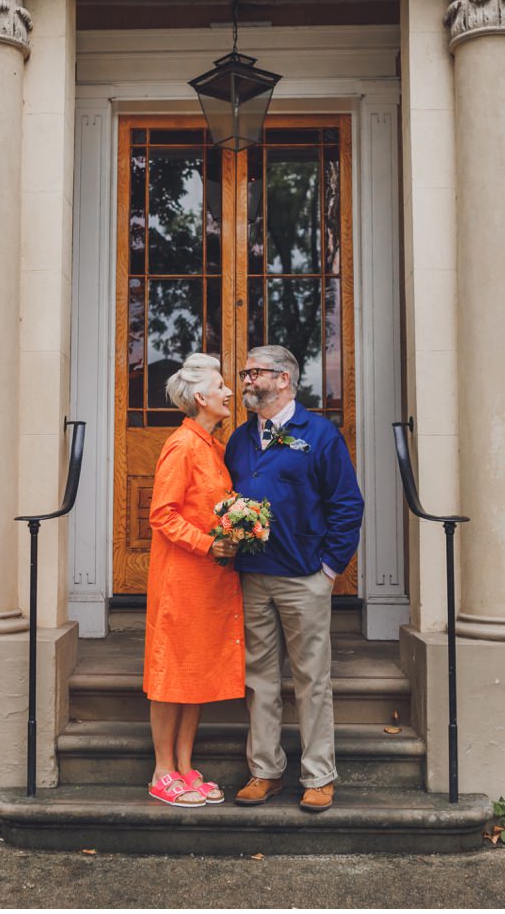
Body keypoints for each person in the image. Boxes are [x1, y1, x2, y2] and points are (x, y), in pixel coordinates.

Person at [224, 345, 364, 812]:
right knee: (259, 679)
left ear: (283, 379)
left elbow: (347, 505)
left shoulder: (319, 435)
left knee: (311, 679)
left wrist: (328, 569)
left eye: (253, 372)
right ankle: (264, 771)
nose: (245, 379)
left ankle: (319, 776)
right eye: (245, 373)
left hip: (304, 576)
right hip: (253, 576)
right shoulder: (241, 439)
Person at [142, 353, 243, 808]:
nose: (228, 392)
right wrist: (208, 545)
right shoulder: (182, 446)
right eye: (221, 386)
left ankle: (185, 765)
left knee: (196, 673)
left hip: (210, 581)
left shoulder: (213, 447)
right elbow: (161, 515)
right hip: (182, 579)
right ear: (201, 398)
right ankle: (162, 770)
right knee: (171, 673)